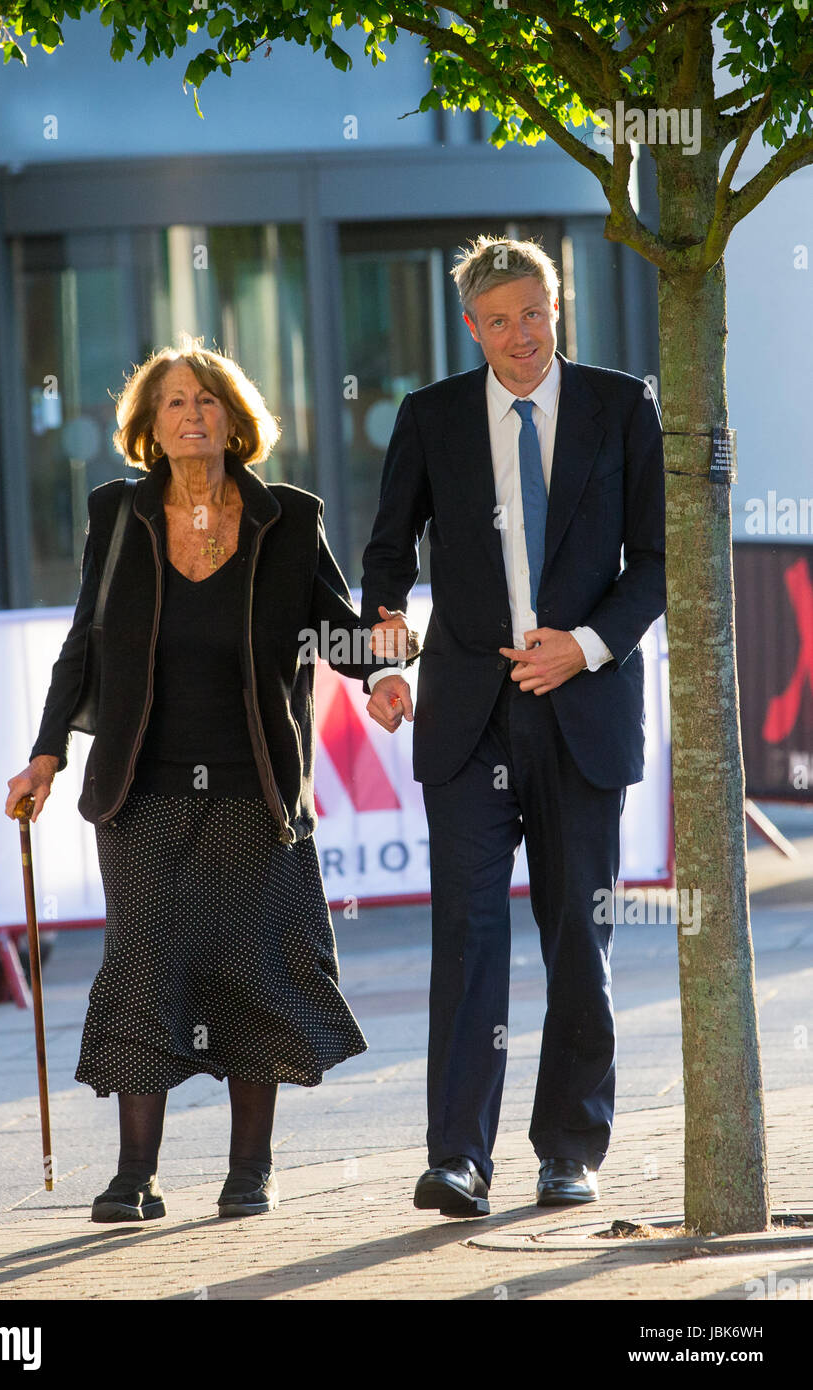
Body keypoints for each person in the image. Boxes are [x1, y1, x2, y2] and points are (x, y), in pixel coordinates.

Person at [5, 338, 416, 1222]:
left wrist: (383, 668)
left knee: (252, 973)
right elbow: (83, 644)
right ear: (149, 428)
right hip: (141, 789)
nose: (192, 417)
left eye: (207, 401)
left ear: (235, 417)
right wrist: (47, 754)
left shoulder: (287, 518)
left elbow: (335, 635)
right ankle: (133, 1175)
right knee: (144, 968)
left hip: (253, 787)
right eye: (174, 405)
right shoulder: (118, 515)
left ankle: (248, 1171)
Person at [360, 236, 666, 1216]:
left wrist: (582, 644)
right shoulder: (431, 416)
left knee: (577, 933)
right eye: (499, 320)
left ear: (556, 307)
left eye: (533, 313)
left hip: (579, 709)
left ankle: (567, 1148)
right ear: (471, 327)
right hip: (465, 714)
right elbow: (384, 546)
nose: (520, 335)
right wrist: (384, 649)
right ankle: (456, 1156)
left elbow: (656, 562)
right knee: (467, 934)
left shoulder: (622, 406)